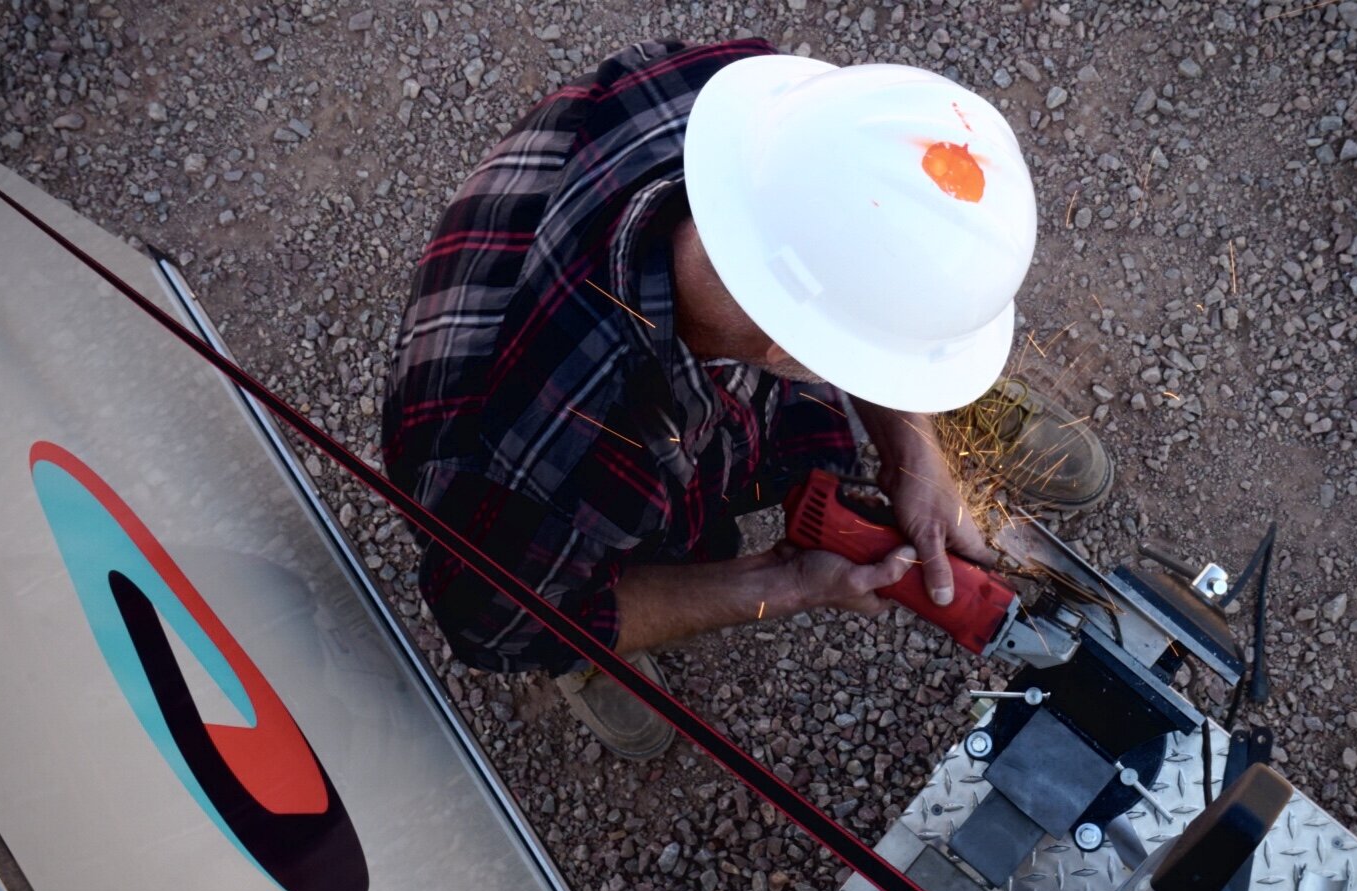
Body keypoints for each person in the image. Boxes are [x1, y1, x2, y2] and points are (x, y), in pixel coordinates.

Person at [381, 40, 1112, 759]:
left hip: (579, 219)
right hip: (509, 490)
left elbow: (816, 259)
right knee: (552, 599)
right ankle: (583, 638)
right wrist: (783, 583)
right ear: (802, 358)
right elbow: (484, 625)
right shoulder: (560, 470)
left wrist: (911, 451)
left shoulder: (746, 113)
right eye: (893, 368)